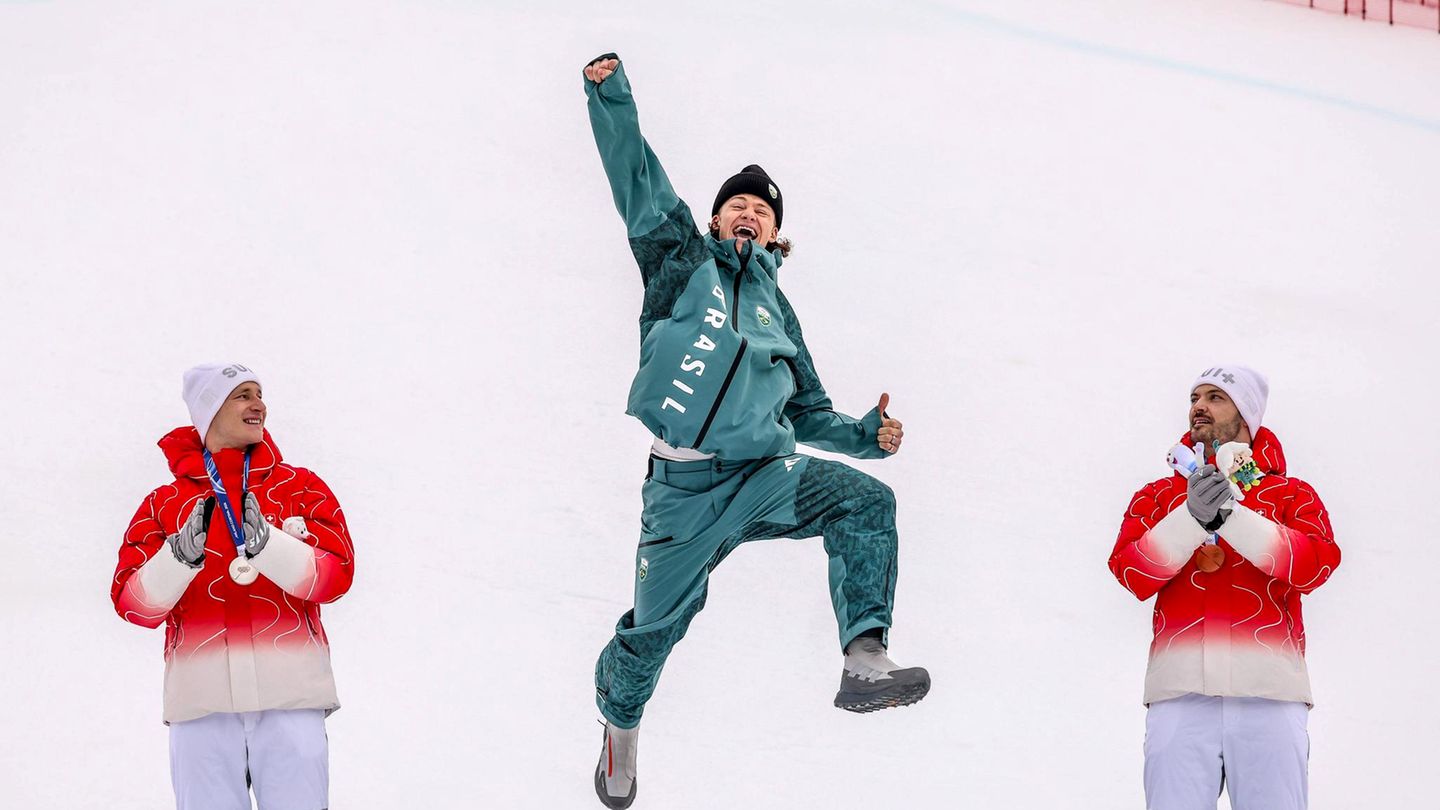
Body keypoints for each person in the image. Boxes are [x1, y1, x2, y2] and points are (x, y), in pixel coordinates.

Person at [582, 54, 930, 809]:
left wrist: (867, 437)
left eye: (763, 210)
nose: (749, 212)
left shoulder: (780, 313)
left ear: (776, 233)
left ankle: (864, 657)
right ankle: (621, 727)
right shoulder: (680, 260)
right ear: (716, 220)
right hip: (682, 489)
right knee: (651, 633)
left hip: (764, 479)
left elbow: (807, 413)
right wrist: (609, 93)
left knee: (866, 504)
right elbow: (637, 182)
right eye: (737, 205)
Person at [111, 363, 355, 810]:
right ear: (208, 411)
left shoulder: (300, 486)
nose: (257, 404)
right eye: (241, 394)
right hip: (200, 704)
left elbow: (337, 575)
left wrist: (273, 548)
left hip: (291, 696)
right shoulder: (164, 504)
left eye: (259, 393)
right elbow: (132, 605)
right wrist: (177, 559)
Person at [1108, 365, 1340, 810]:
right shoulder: (1157, 497)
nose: (1199, 407)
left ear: (1247, 414)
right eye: (1195, 397)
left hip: (1269, 692)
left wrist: (1229, 517)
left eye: (1216, 397)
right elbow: (1132, 571)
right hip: (1179, 693)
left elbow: (1314, 565)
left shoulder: (1291, 494)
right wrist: (1191, 518)